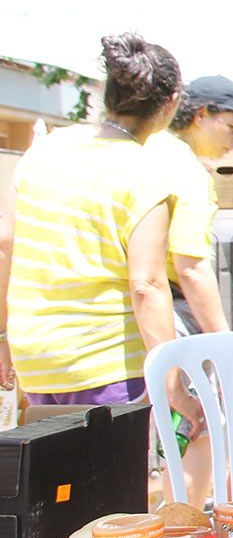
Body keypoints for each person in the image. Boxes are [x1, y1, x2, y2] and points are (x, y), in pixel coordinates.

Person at [0, 34, 205, 435]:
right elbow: (146, 285)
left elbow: (6, 244)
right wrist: (172, 384)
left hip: (36, 358)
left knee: (52, 490)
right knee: (109, 495)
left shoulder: (43, 151)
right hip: (104, 364)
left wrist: (3, 336)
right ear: (170, 103)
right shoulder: (145, 173)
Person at [148, 74, 233, 335]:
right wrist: (224, 340)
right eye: (232, 126)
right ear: (201, 114)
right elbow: (192, 269)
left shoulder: (149, 148)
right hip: (169, 308)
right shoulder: (188, 170)